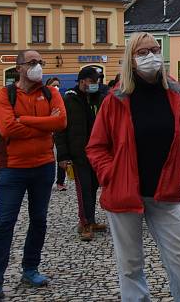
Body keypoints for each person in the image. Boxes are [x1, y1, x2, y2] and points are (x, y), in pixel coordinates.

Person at [86, 32, 180, 301]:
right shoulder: (116, 99)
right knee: (130, 267)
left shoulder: (175, 94)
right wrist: (110, 175)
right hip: (124, 193)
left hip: (165, 192)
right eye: (142, 52)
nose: (151, 56)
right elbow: (96, 146)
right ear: (131, 59)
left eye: (155, 49)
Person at [0, 50, 66, 302]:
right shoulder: (4, 94)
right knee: (3, 223)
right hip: (13, 168)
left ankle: (30, 269)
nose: (38, 67)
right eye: (32, 62)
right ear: (19, 67)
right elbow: (7, 127)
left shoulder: (50, 93)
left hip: (44, 166)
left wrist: (26, 120)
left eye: (40, 62)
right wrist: (44, 123)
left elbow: (61, 122)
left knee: (39, 220)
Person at [54, 67, 107, 242]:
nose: (96, 84)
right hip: (78, 154)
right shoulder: (69, 99)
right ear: (82, 81)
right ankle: (84, 223)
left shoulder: (98, 98)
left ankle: (91, 220)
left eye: (97, 81)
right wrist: (62, 156)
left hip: (96, 152)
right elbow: (60, 130)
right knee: (83, 189)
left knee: (92, 187)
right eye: (93, 81)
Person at [45, 77, 67, 192]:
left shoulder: (61, 98)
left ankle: (60, 182)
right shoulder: (43, 99)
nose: (56, 87)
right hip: (46, 132)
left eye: (58, 85)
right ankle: (46, 181)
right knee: (47, 157)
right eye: (54, 85)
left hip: (58, 131)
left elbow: (62, 117)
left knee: (61, 156)